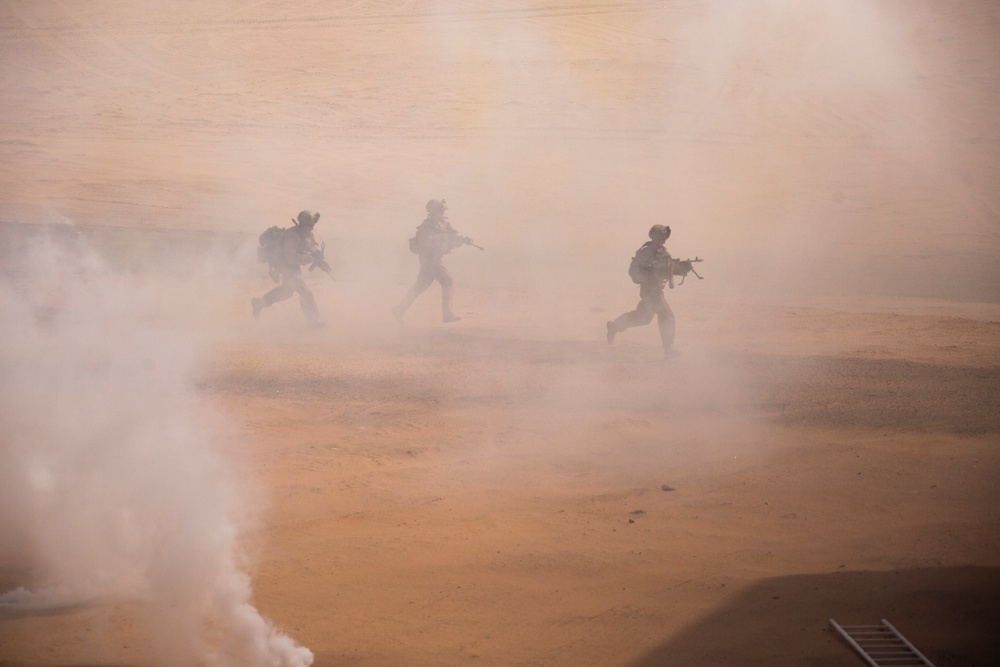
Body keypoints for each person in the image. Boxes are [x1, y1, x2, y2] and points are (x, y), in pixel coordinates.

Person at [392, 199, 474, 323]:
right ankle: (447, 314)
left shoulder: (443, 224)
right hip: (430, 260)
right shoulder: (425, 227)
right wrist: (446, 238)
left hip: (431, 260)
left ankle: (400, 309)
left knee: (419, 287)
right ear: (432, 211)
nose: (441, 213)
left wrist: (462, 240)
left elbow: (450, 239)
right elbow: (427, 242)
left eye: (442, 211)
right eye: (439, 210)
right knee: (447, 281)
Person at [606, 224, 678, 358]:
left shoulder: (663, 253)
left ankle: (614, 326)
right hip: (649, 290)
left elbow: (670, 269)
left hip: (656, 290)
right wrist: (647, 277)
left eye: (664, 238)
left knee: (642, 318)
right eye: (661, 238)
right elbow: (632, 271)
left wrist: (678, 269)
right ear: (655, 237)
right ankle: (668, 349)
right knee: (666, 314)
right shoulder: (645, 252)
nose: (664, 241)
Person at [252, 210, 325, 328]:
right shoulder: (292, 236)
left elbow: (310, 246)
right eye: (309, 225)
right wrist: (310, 258)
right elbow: (290, 258)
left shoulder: (306, 234)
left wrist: (317, 255)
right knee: (305, 293)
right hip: (286, 265)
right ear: (302, 224)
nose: (311, 228)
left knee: (287, 292)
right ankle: (313, 322)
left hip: (291, 267)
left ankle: (259, 303)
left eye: (312, 225)